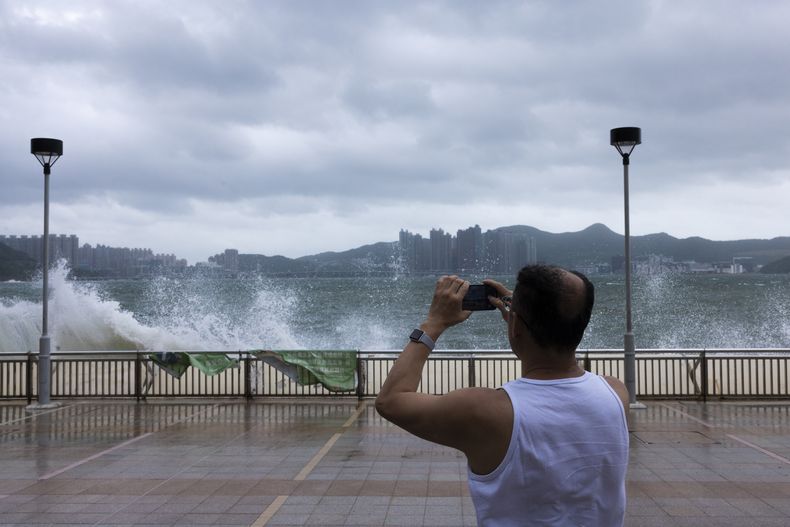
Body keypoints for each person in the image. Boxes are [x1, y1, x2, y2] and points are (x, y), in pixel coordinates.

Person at [375, 265, 630, 526]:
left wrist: (433, 324)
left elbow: (390, 400)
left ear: (515, 323)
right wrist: (523, 313)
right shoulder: (615, 394)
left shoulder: (485, 412)